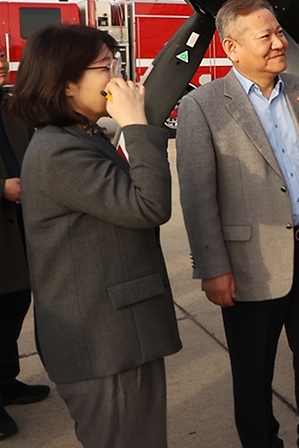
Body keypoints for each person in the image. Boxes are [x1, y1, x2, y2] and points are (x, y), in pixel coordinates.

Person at [177, 0, 299, 448]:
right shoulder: (203, 106)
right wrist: (213, 267)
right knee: (253, 370)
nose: (279, 43)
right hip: (249, 261)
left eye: (278, 32)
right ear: (232, 48)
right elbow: (198, 196)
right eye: (265, 35)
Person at [10, 25, 181, 447]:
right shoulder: (60, 152)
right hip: (103, 344)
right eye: (106, 67)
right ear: (66, 84)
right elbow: (149, 206)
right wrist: (137, 126)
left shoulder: (81, 137)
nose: (118, 78)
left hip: (117, 336)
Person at [0, 46, 50, 441]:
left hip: (20, 232)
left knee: (14, 306)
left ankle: (6, 382)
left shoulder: (13, 108)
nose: (1, 61)